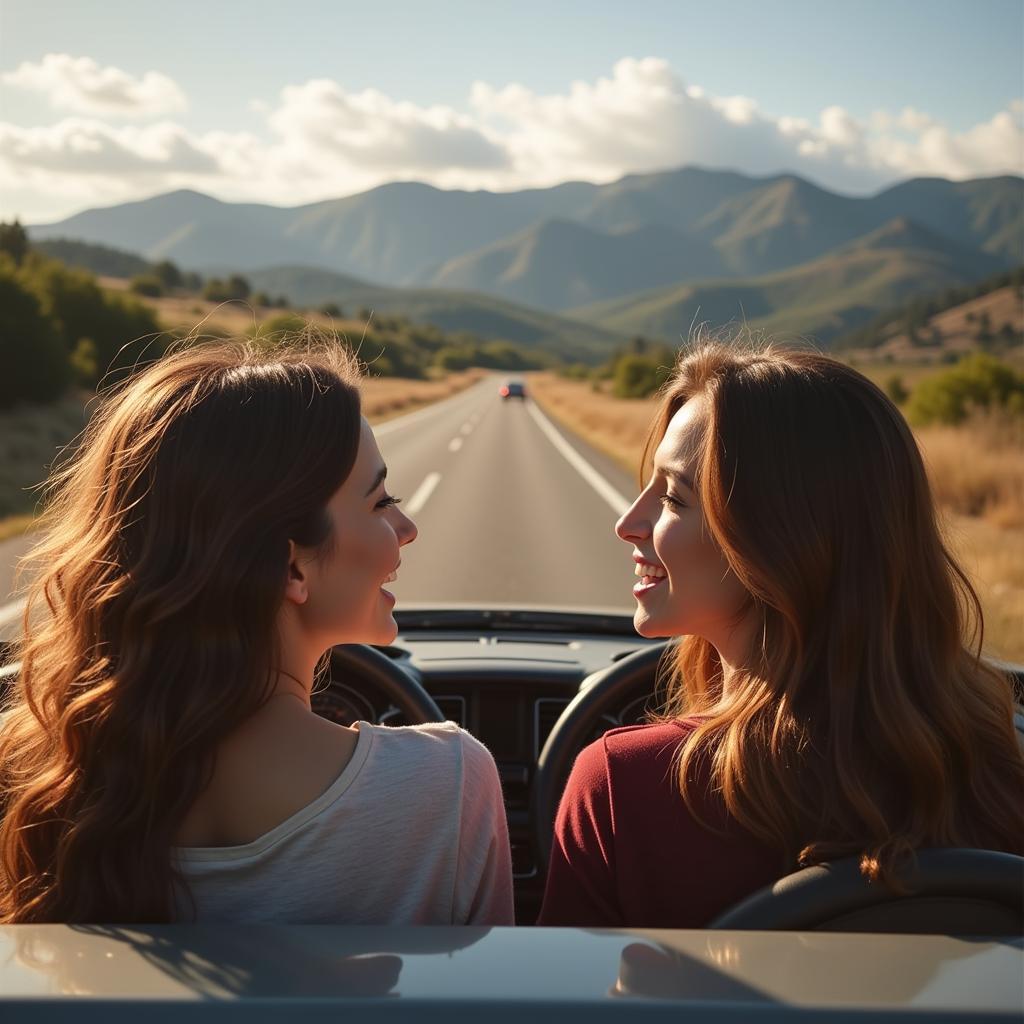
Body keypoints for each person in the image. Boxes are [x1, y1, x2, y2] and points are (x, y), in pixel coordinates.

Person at [0, 339, 513, 925]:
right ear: (291, 566)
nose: (407, 526)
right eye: (379, 502)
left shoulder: (31, 775)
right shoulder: (446, 785)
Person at [538, 341, 1024, 927]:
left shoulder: (623, 787)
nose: (628, 523)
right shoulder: (1003, 766)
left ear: (776, 543)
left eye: (671, 497)